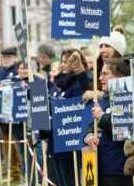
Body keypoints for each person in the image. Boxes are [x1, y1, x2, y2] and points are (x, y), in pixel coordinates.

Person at [40, 48, 91, 186]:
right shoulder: (61, 85)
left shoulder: (76, 86)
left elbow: (69, 116)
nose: (63, 65)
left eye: (67, 62)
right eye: (62, 61)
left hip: (69, 147)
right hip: (56, 144)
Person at [84, 57, 133, 186]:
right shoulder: (105, 97)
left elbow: (125, 129)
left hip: (119, 172)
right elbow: (92, 124)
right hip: (100, 168)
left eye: (105, 74)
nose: (100, 78)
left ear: (119, 76)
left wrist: (101, 117)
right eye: (100, 74)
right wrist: (89, 136)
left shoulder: (127, 97)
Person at [0, 47, 22, 181]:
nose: (5, 60)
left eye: (8, 57)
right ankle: (13, 174)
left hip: (16, 117)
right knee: (7, 148)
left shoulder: (18, 71)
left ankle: (26, 174)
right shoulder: (0, 74)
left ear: (14, 58)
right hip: (3, 116)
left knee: (19, 148)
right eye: (3, 57)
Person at [83, 25, 127, 104]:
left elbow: (124, 97)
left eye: (107, 46)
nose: (102, 50)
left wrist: (101, 95)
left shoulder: (127, 72)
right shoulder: (97, 71)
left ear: (117, 51)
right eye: (101, 46)